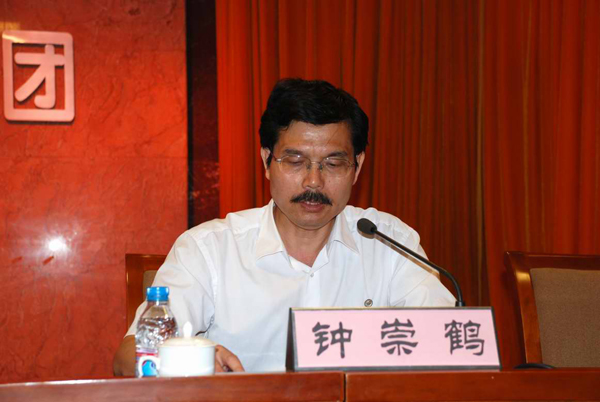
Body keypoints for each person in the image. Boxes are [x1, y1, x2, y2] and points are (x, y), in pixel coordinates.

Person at [113, 78, 455, 376]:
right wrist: (191, 359)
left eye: (333, 163)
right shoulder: (210, 249)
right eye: (295, 161)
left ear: (357, 167)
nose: (313, 181)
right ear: (266, 161)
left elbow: (450, 345)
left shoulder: (390, 244)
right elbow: (128, 359)